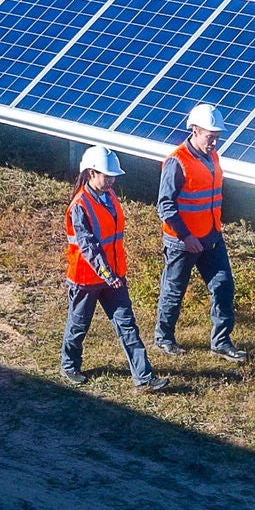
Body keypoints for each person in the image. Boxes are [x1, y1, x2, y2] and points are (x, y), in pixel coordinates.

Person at [62, 144, 169, 391]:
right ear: (91, 174)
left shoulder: (109, 196)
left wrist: (113, 275)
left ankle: (144, 378)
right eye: (107, 176)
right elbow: (87, 246)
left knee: (127, 325)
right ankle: (69, 366)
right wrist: (108, 274)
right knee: (78, 325)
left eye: (113, 176)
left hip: (114, 277)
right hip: (87, 279)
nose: (111, 180)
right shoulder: (79, 206)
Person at [153, 103, 245, 362]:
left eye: (217, 137)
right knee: (174, 290)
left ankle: (221, 342)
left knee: (223, 286)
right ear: (194, 130)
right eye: (210, 136)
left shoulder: (212, 155)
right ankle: (164, 338)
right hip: (183, 243)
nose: (214, 142)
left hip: (211, 236)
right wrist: (186, 237)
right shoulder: (177, 162)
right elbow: (166, 206)